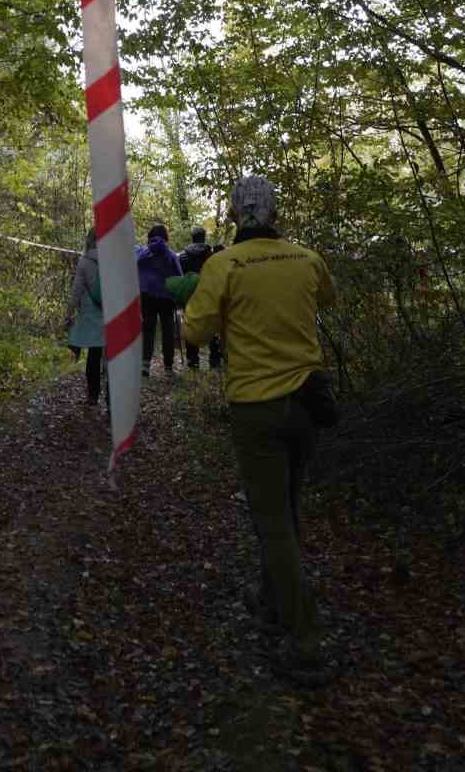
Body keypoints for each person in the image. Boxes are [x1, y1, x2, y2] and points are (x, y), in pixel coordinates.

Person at [183, 175, 336, 683]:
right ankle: (273, 601)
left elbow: (194, 332)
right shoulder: (307, 258)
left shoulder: (223, 265)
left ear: (232, 215)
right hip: (307, 404)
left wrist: (199, 298)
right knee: (288, 510)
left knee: (271, 522)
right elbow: (326, 300)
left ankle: (307, 640)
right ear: (275, 214)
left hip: (256, 407)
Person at [65, 229, 109, 409]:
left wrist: (69, 312)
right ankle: (112, 399)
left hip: (91, 313)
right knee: (112, 357)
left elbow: (76, 291)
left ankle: (92, 395)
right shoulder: (112, 260)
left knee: (94, 354)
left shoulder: (84, 262)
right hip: (111, 312)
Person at [136, 222, 183, 377]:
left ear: (150, 237)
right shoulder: (170, 254)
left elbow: (134, 265)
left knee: (148, 329)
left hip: (147, 294)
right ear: (165, 237)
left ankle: (144, 365)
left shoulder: (143, 252)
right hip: (166, 296)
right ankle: (168, 367)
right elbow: (179, 275)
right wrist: (179, 296)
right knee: (167, 330)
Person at [178, 225, 222, 372]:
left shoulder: (182, 256)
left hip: (190, 296)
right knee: (213, 325)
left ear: (192, 237)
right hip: (209, 294)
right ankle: (215, 361)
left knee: (191, 325)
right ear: (204, 237)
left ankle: (193, 363)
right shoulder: (212, 255)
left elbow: (180, 277)